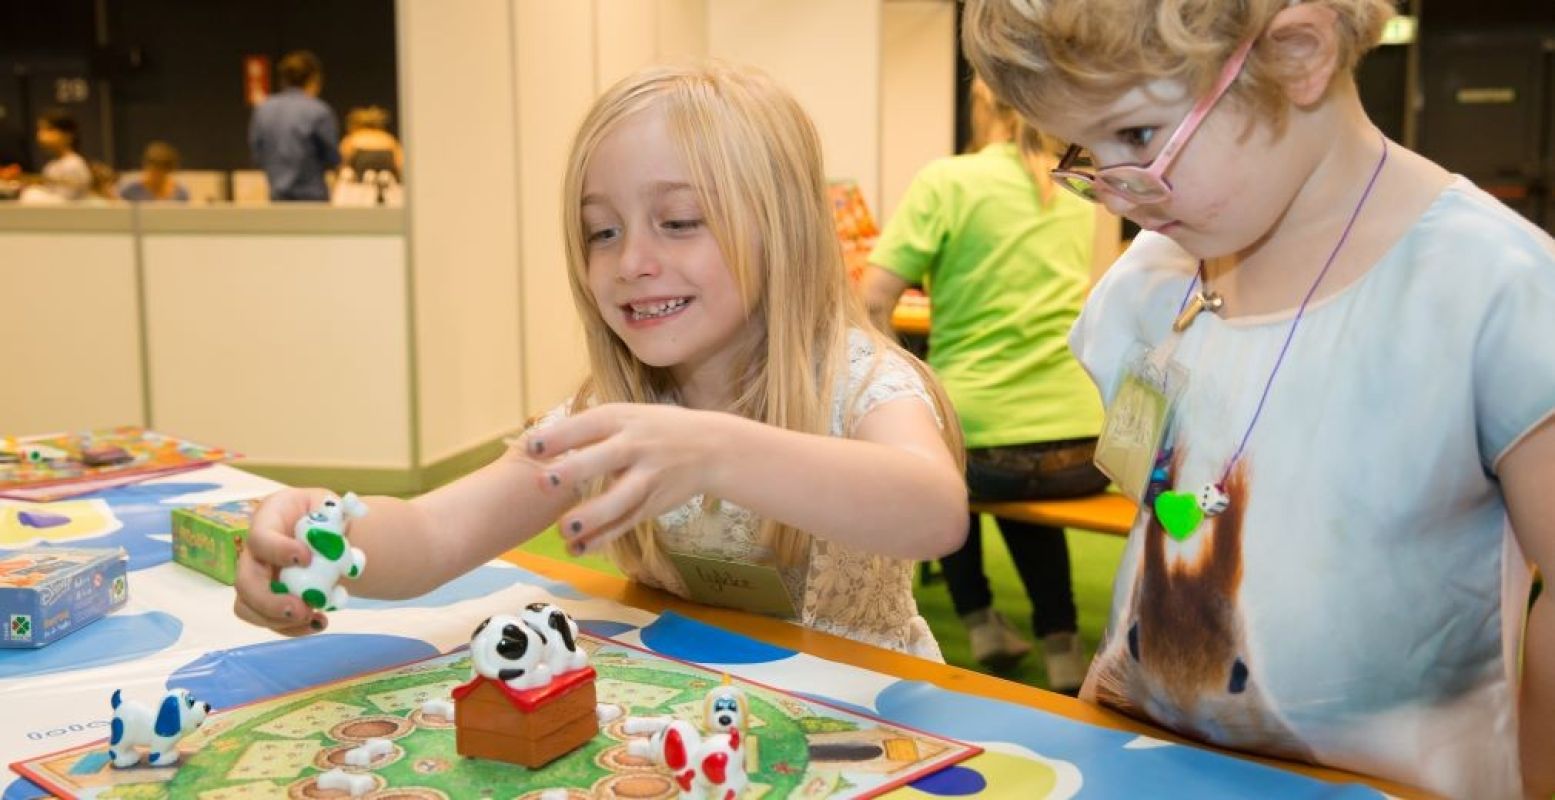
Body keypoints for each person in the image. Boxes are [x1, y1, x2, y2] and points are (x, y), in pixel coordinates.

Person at [963, 0, 1554, 797]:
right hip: (1136, 761)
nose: (1113, 191)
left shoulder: (1495, 288)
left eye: (1136, 137)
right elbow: (1158, 521)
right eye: (1080, 149)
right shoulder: (1147, 281)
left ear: (1297, 54)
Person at [232, 61, 969, 660]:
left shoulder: (858, 380)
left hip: (875, 725)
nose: (632, 263)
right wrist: (319, 530)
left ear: (785, 231)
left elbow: (933, 513)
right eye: (601, 232)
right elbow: (432, 537)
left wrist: (711, 450)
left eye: (678, 222)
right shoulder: (609, 411)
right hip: (698, 723)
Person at [859, 78, 1106, 692]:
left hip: (985, 445)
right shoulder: (1074, 187)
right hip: (1082, 445)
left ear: (982, 104)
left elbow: (871, 299)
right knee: (994, 456)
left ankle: (978, 617)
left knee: (938, 458)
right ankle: (1061, 640)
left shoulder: (948, 180)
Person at [248, 50, 340, 201]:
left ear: (283, 79)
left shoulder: (263, 109)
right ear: (314, 79)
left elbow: (257, 154)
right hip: (313, 199)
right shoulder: (319, 111)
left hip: (277, 197)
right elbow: (332, 157)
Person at [20, 110, 91, 204]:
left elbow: (65, 204)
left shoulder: (74, 164)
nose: (41, 136)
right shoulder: (51, 165)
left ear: (68, 135)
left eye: (49, 130)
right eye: (40, 130)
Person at [339, 106, 403, 179]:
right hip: (387, 178)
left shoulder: (352, 138)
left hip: (359, 181)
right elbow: (399, 163)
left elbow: (342, 161)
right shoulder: (389, 139)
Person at [119, 141, 189, 203]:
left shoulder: (180, 194)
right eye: (153, 172)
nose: (157, 176)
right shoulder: (131, 191)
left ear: (169, 171)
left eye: (161, 172)